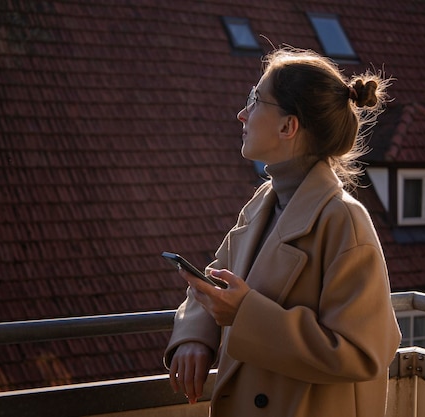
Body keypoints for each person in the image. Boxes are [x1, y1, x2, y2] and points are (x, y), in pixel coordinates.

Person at [164, 46, 401, 417]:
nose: (241, 113)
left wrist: (245, 316)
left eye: (254, 100)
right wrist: (193, 336)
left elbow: (362, 354)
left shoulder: (344, 220)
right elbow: (215, 281)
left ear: (288, 126)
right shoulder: (265, 200)